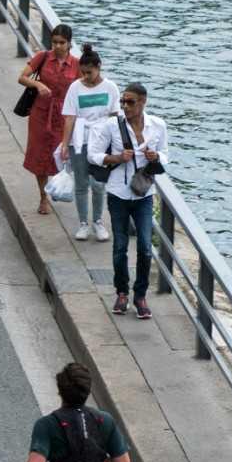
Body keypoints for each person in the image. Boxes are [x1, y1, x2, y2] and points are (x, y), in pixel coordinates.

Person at [88, 82, 169, 320]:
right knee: (120, 246)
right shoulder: (112, 126)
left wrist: (157, 156)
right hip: (118, 193)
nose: (125, 106)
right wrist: (116, 157)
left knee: (145, 247)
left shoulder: (157, 126)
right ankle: (122, 292)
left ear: (143, 102)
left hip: (143, 194)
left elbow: (166, 154)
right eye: (123, 101)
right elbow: (93, 154)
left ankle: (140, 295)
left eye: (130, 102)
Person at [60, 44, 119, 243]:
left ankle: (98, 221)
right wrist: (64, 144)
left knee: (98, 183)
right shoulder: (75, 88)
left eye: (89, 72)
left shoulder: (110, 88)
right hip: (80, 139)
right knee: (82, 182)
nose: (86, 76)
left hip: (101, 140)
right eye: (82, 72)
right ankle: (84, 222)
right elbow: (69, 117)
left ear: (99, 67)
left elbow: (114, 116)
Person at [18, 22, 79, 214]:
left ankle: (56, 187)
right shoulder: (43, 57)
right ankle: (43, 197)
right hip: (41, 111)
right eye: (55, 42)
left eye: (62, 42)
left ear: (69, 43)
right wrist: (38, 85)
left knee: (60, 154)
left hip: (64, 115)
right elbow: (23, 77)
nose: (58, 46)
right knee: (39, 154)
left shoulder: (76, 64)